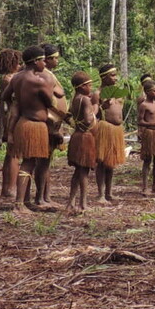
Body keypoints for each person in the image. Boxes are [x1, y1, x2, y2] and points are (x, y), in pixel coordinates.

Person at [1, 46, 54, 213]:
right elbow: (49, 102)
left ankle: (26, 200)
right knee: (29, 163)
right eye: (43, 60)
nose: (45, 63)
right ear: (35, 61)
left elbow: (5, 96)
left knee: (29, 162)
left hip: (22, 122)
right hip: (34, 125)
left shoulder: (16, 78)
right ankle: (19, 203)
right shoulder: (38, 81)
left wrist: (16, 104)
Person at [37, 43, 67, 209]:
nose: (57, 61)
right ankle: (39, 198)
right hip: (48, 124)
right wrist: (52, 125)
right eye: (54, 58)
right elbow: (46, 103)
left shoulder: (49, 75)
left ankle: (46, 196)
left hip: (54, 124)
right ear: (46, 60)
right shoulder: (43, 77)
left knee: (47, 162)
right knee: (41, 162)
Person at [92, 64, 126, 204]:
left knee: (111, 163)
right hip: (104, 128)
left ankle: (109, 193)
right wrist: (101, 107)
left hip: (116, 130)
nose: (115, 78)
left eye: (115, 75)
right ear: (103, 77)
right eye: (112, 75)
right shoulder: (97, 94)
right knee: (101, 162)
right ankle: (100, 194)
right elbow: (93, 114)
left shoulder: (118, 92)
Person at [65, 72, 98, 215]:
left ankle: (70, 202)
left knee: (77, 171)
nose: (91, 87)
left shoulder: (74, 99)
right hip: (85, 137)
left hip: (76, 136)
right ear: (82, 86)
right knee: (83, 172)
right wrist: (94, 112)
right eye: (89, 85)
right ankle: (83, 203)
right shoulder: (85, 99)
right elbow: (88, 120)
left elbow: (69, 116)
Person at [0, 49, 22, 199]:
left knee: (10, 154)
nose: (20, 65)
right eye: (18, 62)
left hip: (10, 114)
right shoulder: (9, 79)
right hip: (12, 115)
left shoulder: (8, 78)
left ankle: (7, 188)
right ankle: (11, 188)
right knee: (14, 153)